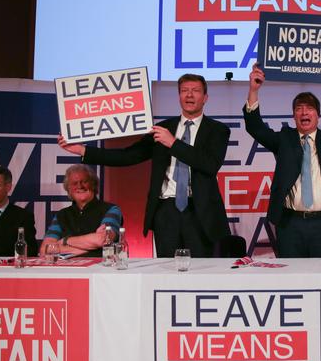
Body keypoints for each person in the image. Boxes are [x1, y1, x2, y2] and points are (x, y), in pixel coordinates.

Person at [58, 74, 230, 258]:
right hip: (166, 211)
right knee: (166, 272)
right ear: (179, 96)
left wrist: (173, 143)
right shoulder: (163, 129)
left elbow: (210, 164)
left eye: (195, 91)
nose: (189, 95)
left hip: (200, 212)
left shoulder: (218, 130)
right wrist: (83, 150)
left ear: (205, 98)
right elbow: (127, 156)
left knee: (201, 272)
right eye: (184, 91)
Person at [244, 63, 321, 257]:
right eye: (299, 109)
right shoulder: (284, 139)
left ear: (318, 115)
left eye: (309, 108)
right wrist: (253, 90)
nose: (304, 113)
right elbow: (255, 128)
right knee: (292, 279)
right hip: (290, 224)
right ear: (293, 115)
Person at [40, 164, 122, 257]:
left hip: (101, 268)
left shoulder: (111, 210)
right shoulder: (61, 215)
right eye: (74, 183)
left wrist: (65, 241)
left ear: (94, 184)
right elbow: (45, 249)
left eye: (84, 181)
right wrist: (89, 248)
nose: (80, 186)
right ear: (68, 189)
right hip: (67, 270)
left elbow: (103, 239)